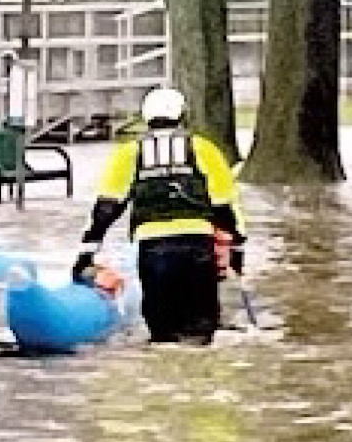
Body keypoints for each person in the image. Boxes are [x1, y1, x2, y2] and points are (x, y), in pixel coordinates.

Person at [71, 87, 246, 345]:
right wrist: (237, 254)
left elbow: (106, 210)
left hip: (154, 251)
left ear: (145, 117)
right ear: (183, 116)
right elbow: (224, 207)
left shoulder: (129, 153)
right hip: (198, 248)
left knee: (163, 333)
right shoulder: (203, 149)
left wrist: (85, 255)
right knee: (200, 332)